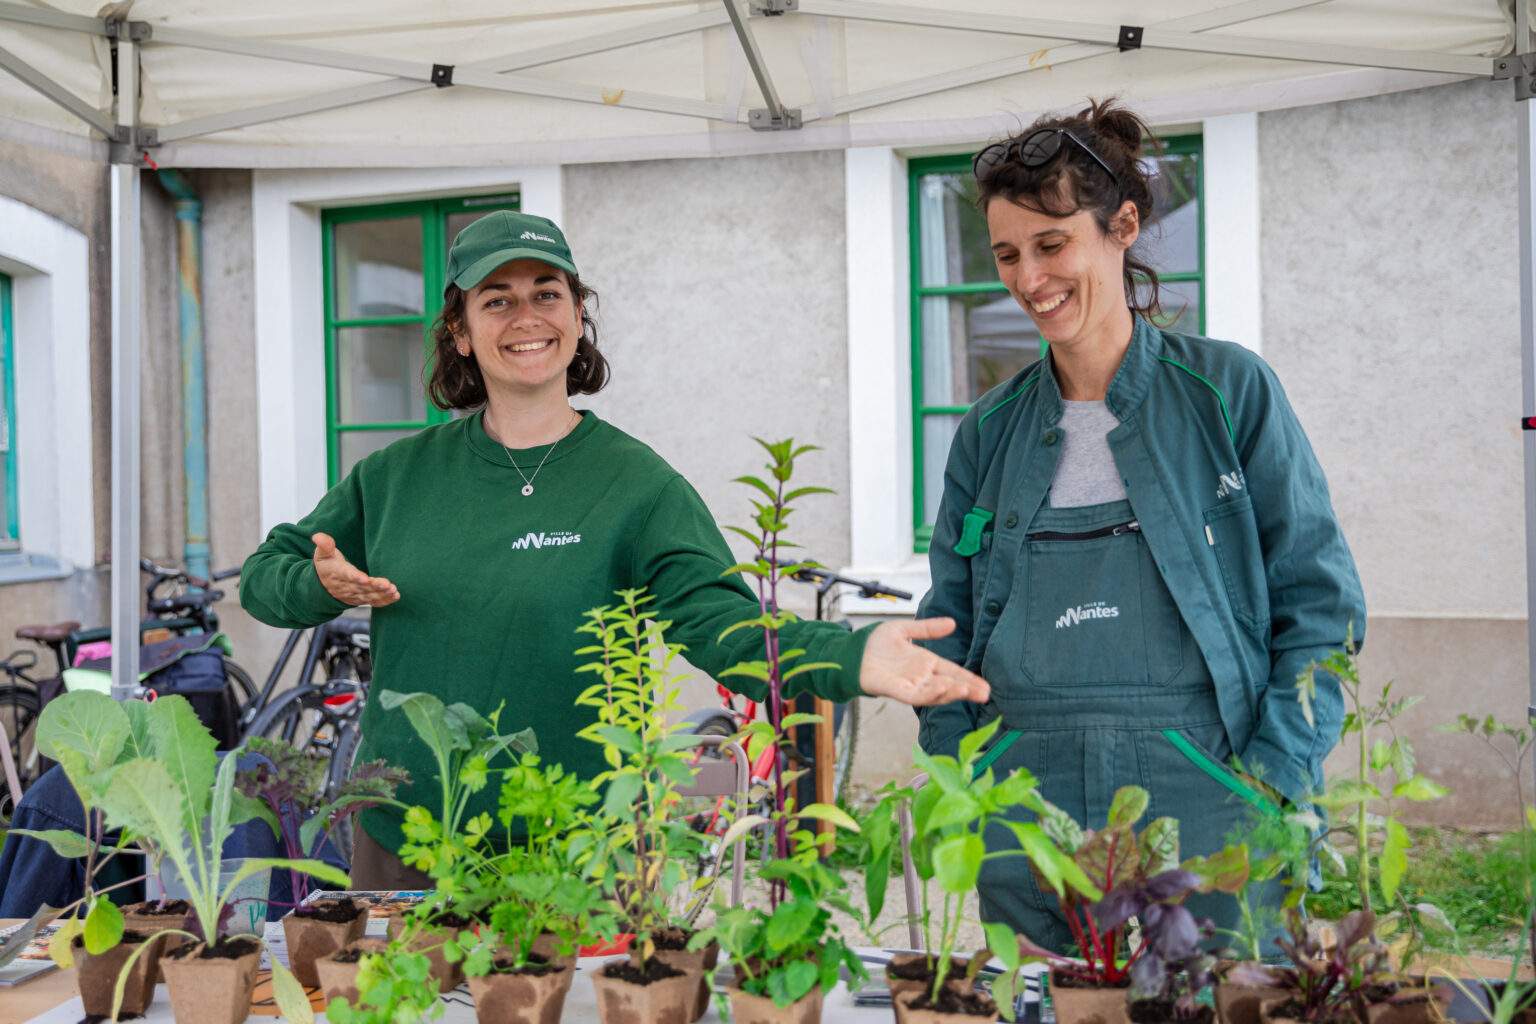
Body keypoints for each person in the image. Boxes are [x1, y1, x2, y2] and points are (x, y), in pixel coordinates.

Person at [241, 210, 989, 889]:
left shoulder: (637, 484)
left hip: (580, 848)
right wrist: (319, 583)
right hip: (407, 842)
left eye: (547, 293)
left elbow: (721, 629)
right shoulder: (395, 477)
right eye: (496, 298)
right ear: (461, 332)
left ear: (576, 318)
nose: (525, 316)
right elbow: (263, 578)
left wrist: (851, 658)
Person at [913, 100, 1365, 949]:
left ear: (1122, 226)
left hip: (1210, 788)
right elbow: (949, 626)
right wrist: (961, 769)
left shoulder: (1228, 394)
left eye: (1052, 245)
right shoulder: (988, 431)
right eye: (1007, 254)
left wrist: (1272, 778)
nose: (1027, 278)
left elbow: (1320, 605)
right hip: (1024, 800)